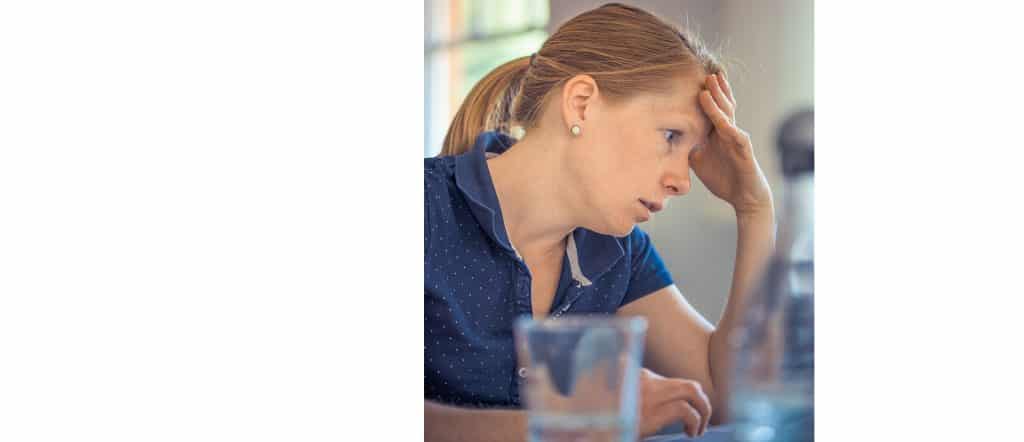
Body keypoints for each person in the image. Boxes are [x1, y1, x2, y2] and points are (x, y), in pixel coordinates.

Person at [424, 3, 775, 441]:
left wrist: (755, 210)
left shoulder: (617, 253)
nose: (683, 182)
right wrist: (575, 423)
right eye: (671, 136)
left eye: (691, 155)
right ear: (582, 104)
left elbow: (725, 398)